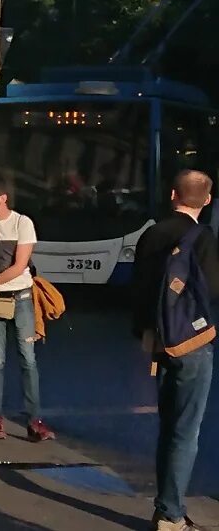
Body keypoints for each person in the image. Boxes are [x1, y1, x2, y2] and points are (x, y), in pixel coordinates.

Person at [132, 170, 219, 531]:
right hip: (192, 343)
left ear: (172, 195)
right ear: (208, 200)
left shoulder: (151, 234)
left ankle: (165, 506)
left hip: (158, 341)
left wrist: (145, 334)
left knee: (168, 427)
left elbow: (138, 289)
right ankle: (170, 514)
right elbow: (211, 291)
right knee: (186, 431)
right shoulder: (204, 238)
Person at [0, 175, 56, 442]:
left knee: (28, 359)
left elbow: (20, 266)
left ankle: (34, 421)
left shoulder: (22, 223)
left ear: (2, 198)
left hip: (20, 297)